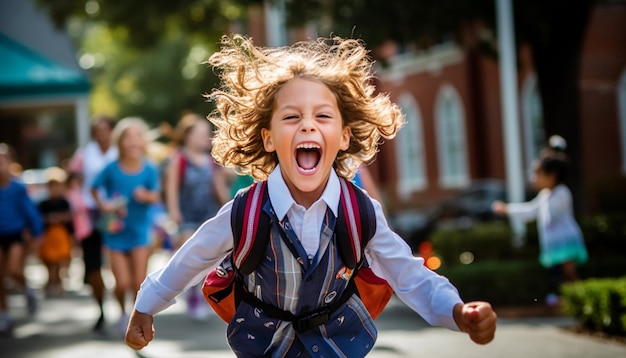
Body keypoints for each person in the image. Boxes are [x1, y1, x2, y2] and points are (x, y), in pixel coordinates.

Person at [126, 35, 497, 356]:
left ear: (345, 135)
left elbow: (408, 274)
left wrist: (457, 311)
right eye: (291, 117)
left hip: (338, 346)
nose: (307, 124)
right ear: (268, 138)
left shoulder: (360, 211)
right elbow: (190, 260)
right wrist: (145, 306)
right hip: (263, 347)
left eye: (322, 116)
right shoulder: (246, 212)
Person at [492, 135, 588, 303]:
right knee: (560, 275)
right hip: (554, 244)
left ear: (551, 176)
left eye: (538, 174)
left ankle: (580, 300)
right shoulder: (545, 196)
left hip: (565, 241)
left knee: (569, 273)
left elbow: (549, 213)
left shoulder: (561, 194)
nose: (534, 178)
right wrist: (508, 209)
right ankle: (570, 301)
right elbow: (530, 210)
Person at [91, 117, 161, 335]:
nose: (132, 142)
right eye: (127, 137)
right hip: (116, 232)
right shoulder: (111, 169)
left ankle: (134, 317)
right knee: (121, 283)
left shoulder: (149, 169)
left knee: (138, 282)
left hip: (140, 231)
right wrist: (105, 205)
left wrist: (145, 195)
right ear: (119, 142)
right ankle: (122, 312)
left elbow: (156, 195)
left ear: (143, 142)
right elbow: (94, 188)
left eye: (137, 137)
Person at [164, 112, 230, 320]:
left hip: (209, 214)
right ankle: (192, 293)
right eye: (200, 134)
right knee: (190, 254)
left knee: (211, 258)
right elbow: (172, 189)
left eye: (207, 134)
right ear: (187, 136)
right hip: (188, 216)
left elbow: (220, 190)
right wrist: (174, 213)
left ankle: (202, 294)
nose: (205, 138)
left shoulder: (211, 161)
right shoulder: (179, 159)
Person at [68, 115, 118, 331]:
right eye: (98, 130)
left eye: (105, 129)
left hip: (118, 215)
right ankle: (101, 309)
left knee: (119, 265)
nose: (102, 134)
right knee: (93, 266)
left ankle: (124, 309)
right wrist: (78, 202)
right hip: (91, 215)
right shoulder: (84, 155)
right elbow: (71, 180)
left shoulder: (120, 151)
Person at [0, 143, 43, 334]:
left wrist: (36, 233)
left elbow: (30, 212)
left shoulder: (17, 187)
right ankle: (5, 315)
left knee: (14, 269)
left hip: (16, 233)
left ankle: (27, 290)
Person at [37, 167, 74, 297]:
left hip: (61, 235)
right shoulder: (43, 203)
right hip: (48, 235)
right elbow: (39, 219)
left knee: (59, 261)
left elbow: (69, 219)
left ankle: (57, 284)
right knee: (49, 261)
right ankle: (51, 283)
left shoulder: (64, 202)